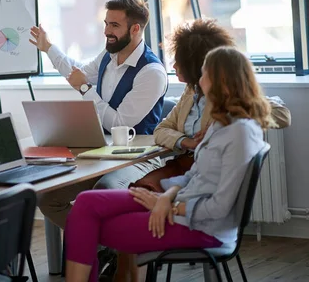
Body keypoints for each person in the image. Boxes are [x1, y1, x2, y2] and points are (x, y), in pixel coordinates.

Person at [64, 46, 272, 282]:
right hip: (179, 205)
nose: (199, 81)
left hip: (200, 227)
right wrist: (166, 196)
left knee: (84, 227)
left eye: (204, 75)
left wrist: (171, 207)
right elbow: (194, 176)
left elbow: (220, 208)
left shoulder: (240, 134)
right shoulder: (221, 124)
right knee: (85, 203)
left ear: (222, 83)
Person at [29, 0, 168, 229]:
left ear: (135, 29)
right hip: (104, 153)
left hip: (140, 159)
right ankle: (101, 244)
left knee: (102, 191)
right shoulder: (108, 56)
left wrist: (85, 89)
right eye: (105, 23)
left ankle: (108, 248)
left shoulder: (151, 72)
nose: (106, 31)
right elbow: (78, 74)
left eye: (114, 25)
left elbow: (120, 123)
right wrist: (48, 49)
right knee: (49, 199)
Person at [132, 19, 291, 192]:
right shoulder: (190, 91)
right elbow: (161, 130)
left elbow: (282, 114)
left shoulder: (228, 93)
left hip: (209, 172)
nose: (174, 66)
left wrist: (222, 124)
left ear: (195, 65)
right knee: (139, 190)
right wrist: (188, 142)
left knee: (140, 197)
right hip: (184, 167)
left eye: (179, 61)